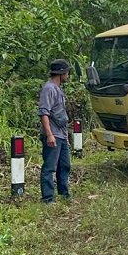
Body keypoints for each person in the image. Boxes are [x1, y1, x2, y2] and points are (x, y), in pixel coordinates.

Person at [38, 59, 72, 204]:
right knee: (50, 167)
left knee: (65, 165)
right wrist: (49, 134)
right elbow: (43, 113)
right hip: (53, 135)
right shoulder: (49, 89)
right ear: (61, 73)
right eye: (67, 72)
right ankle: (48, 198)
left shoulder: (58, 89)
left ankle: (64, 194)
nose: (68, 75)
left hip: (62, 134)